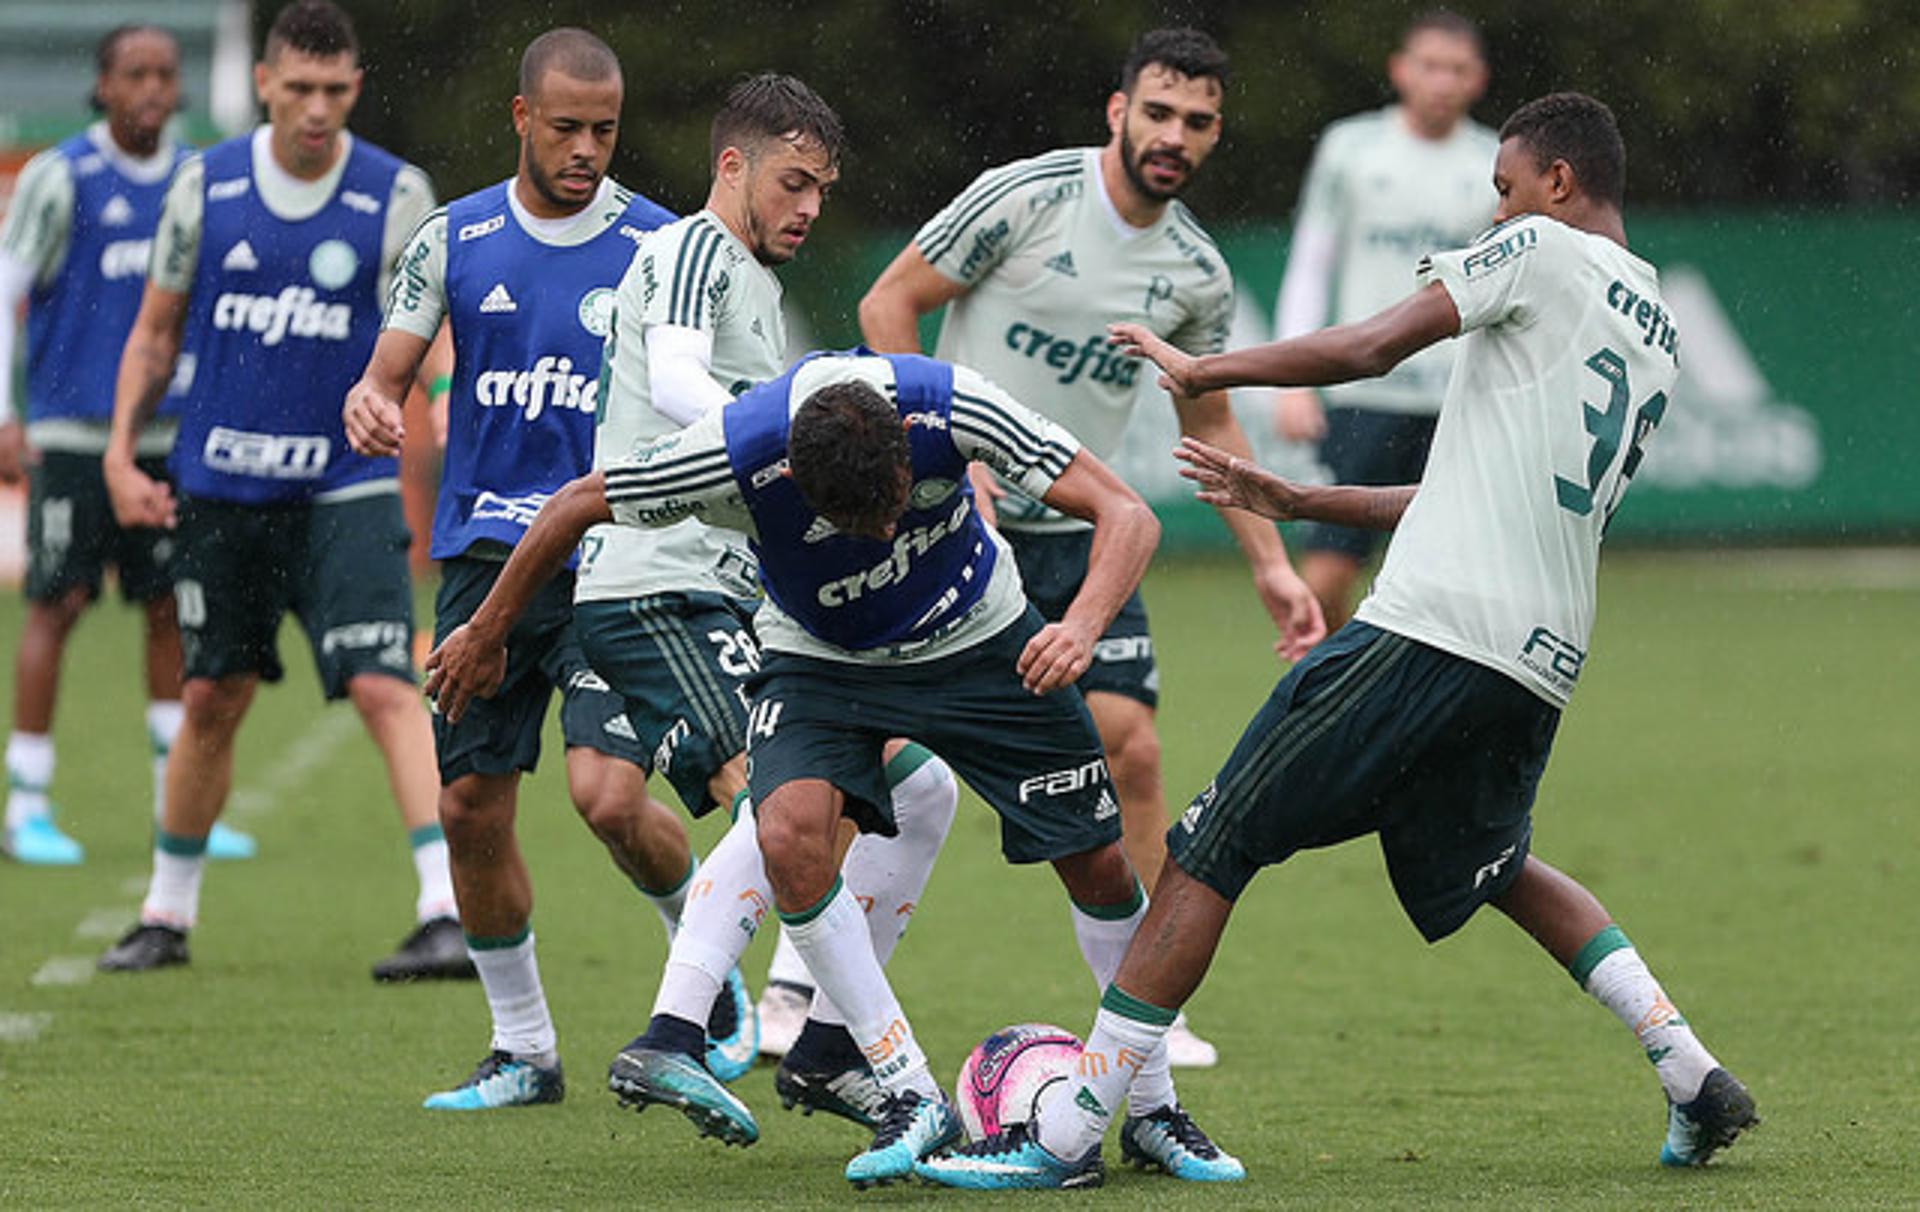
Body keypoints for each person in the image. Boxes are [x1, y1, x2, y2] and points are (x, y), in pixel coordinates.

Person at [918, 93, 1758, 1191]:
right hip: (1539, 660)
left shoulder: (1537, 247)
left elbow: (1370, 345)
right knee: (1495, 865)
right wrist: (1301, 496)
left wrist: (1209, 372)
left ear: (1557, 181)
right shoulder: (1654, 324)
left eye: (1504, 187)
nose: (1494, 208)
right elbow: (1473, 487)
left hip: (1429, 628)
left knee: (1209, 846)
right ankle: (1690, 1071)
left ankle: (1070, 1133)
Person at [426, 349, 1244, 1187]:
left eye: (894, 508)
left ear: (905, 454)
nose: (886, 535)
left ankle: (1150, 1109)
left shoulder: (949, 404)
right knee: (787, 836)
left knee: (1099, 865)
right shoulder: (730, 456)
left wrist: (1080, 625)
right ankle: (908, 1091)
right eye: (856, 526)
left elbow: (1128, 512)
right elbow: (573, 505)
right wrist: (488, 631)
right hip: (820, 660)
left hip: (980, 640)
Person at [858, 26, 1324, 1068]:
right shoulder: (1023, 198)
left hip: (1080, 541)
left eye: (1197, 122)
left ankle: (1145, 1011)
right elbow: (888, 302)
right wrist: (936, 446)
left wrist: (1273, 566)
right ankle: (812, 988)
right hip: (955, 526)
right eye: (1157, 113)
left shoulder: (1196, 272)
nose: (1174, 136)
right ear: (1118, 111)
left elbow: (1208, 426)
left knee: (1137, 749)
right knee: (886, 759)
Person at [339, 27, 748, 1111]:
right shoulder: (454, 237)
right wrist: (372, 402)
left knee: (609, 798)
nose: (585, 150)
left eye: (604, 131)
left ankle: (704, 983)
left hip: (614, 553)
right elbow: (386, 375)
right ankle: (522, 1048)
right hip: (484, 559)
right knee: (471, 805)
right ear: (522, 118)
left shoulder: (662, 249)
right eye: (565, 128)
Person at [564, 73, 959, 1128]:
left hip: (730, 591)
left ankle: (813, 1035)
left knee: (917, 793)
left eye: (822, 191)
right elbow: (686, 384)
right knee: (777, 798)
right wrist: (811, 424)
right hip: (664, 585)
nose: (808, 208)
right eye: (793, 182)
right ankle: (764, 1041)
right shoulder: (698, 249)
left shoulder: (754, 281)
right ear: (732, 166)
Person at [94, 0, 465, 982]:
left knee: (388, 684)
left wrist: (432, 399)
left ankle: (445, 910)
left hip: (345, 487)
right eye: (298, 88)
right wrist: (123, 454)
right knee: (213, 692)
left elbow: (431, 327)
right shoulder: (204, 186)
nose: (317, 109)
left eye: (336, 91)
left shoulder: (395, 193)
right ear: (263, 84)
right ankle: (166, 915)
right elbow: (156, 332)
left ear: (355, 88)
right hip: (221, 486)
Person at [0, 25, 252, 865]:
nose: (152, 88)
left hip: (171, 436)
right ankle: (26, 802)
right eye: (134, 74)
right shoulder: (60, 175)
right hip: (74, 431)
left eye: (164, 74)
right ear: (102, 85)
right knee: (58, 603)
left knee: (167, 611)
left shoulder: (199, 178)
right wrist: (8, 413)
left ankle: (174, 805)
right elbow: (7, 294)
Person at [1272, 10, 1496, 631]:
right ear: (1400, 69)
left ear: (1478, 79)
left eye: (1457, 69)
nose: (1442, 82)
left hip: (1459, 399)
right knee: (1320, 587)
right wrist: (1295, 378)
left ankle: (1410, 716)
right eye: (1429, 65)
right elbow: (1312, 263)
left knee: (1446, 594)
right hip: (1362, 394)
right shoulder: (1351, 148)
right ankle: (1342, 697)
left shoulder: (1496, 160)